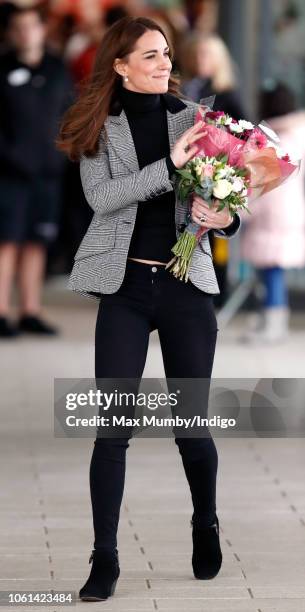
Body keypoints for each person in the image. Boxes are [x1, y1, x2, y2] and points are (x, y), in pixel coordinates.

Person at [57, 16, 241, 602]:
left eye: (166, 54)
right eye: (150, 56)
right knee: (111, 430)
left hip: (186, 286)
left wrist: (226, 218)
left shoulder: (196, 119)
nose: (165, 64)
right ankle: (104, 556)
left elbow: (233, 192)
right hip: (126, 290)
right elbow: (102, 198)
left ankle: (205, 521)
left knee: (191, 426)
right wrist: (170, 166)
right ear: (120, 66)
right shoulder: (96, 127)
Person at [0, 4, 74, 337]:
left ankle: (30, 309)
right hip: (8, 173)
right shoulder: (2, 68)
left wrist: (63, 154)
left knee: (37, 241)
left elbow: (69, 116)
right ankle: (1, 311)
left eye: (32, 26)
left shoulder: (58, 69)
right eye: (19, 27)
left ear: (43, 30)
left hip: (48, 173)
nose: (26, 33)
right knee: (6, 241)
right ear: (10, 32)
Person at [179, 32, 247, 307]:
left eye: (207, 54)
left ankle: (215, 286)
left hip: (216, 174)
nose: (200, 59)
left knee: (214, 231)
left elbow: (245, 135)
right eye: (197, 53)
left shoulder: (227, 93)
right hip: (187, 170)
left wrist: (226, 171)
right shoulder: (186, 87)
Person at [240, 83, 305, 343]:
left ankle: (274, 324)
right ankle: (270, 319)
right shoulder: (297, 134)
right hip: (291, 211)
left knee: (271, 271)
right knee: (271, 270)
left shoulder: (272, 140)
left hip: (271, 213)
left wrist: (243, 208)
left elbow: (262, 183)